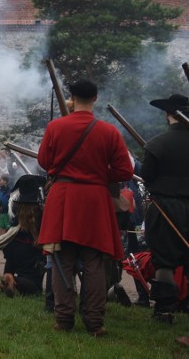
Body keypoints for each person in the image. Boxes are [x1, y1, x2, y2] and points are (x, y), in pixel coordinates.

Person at [37, 79, 134, 337]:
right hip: (94, 200)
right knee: (93, 262)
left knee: (61, 260)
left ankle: (64, 319)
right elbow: (125, 170)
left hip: (64, 197)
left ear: (72, 96)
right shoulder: (109, 132)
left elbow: (45, 162)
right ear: (96, 98)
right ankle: (94, 321)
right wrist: (100, 174)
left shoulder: (55, 127)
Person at [139, 93, 189, 324]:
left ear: (169, 115)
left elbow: (147, 176)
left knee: (164, 260)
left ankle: (165, 310)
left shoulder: (158, 144)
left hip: (166, 206)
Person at [0, 174, 47, 297]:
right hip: (31, 249)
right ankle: (13, 280)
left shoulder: (16, 207)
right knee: (34, 287)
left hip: (13, 246)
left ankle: (7, 278)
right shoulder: (39, 211)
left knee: (10, 266)